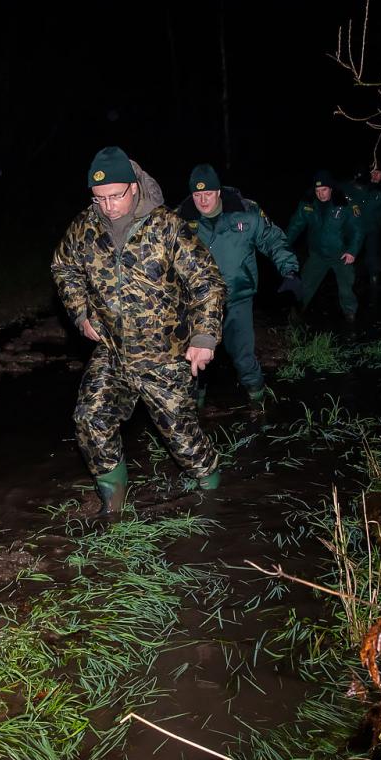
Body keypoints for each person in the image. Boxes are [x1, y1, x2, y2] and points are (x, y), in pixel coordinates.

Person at [51, 147, 227, 515]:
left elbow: (207, 281)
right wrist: (80, 312)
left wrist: (204, 337)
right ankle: (113, 505)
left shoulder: (167, 226)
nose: (108, 206)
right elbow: (63, 267)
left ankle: (217, 503)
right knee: (90, 418)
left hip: (165, 355)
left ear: (134, 187)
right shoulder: (85, 227)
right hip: (113, 351)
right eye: (99, 198)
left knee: (183, 440)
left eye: (116, 196)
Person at [178, 164, 299, 416]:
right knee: (195, 360)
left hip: (237, 298)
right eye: (197, 195)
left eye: (208, 194)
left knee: (243, 355)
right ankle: (195, 411)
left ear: (218, 192)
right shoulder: (180, 219)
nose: (202, 200)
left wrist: (289, 270)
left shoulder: (246, 212)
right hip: (198, 303)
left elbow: (272, 239)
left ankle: (259, 402)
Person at [281, 169, 363, 326]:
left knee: (346, 287)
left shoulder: (345, 203)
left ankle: (350, 315)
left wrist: (352, 251)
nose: (321, 194)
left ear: (331, 188)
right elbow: (295, 226)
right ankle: (297, 313)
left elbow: (357, 230)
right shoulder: (308, 203)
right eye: (317, 190)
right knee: (305, 284)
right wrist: (283, 245)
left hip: (341, 254)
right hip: (317, 254)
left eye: (324, 189)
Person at [345, 165, 381, 297]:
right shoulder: (360, 186)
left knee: (372, 255)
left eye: (378, 173)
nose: (375, 175)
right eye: (373, 173)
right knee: (350, 252)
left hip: (372, 229)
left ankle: (373, 280)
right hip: (354, 229)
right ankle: (348, 280)